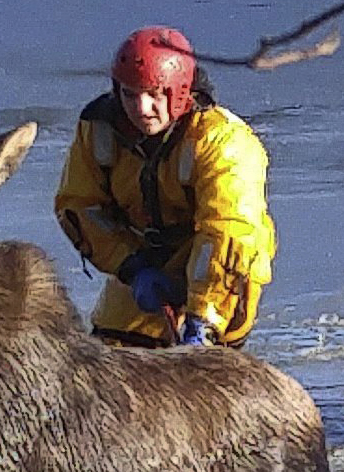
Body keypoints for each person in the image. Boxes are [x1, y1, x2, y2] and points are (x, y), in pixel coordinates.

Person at [51, 25, 277, 348]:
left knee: (205, 380)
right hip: (145, 267)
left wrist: (203, 322)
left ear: (181, 90)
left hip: (220, 275)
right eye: (129, 93)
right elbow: (79, 207)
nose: (141, 108)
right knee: (105, 368)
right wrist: (132, 267)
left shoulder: (222, 142)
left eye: (155, 94)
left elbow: (229, 233)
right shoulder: (99, 131)